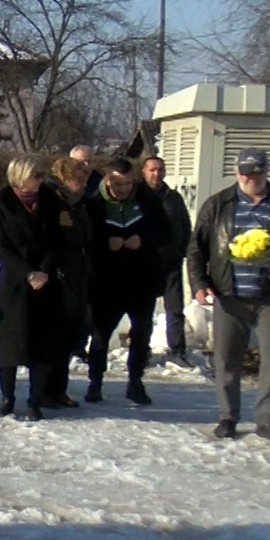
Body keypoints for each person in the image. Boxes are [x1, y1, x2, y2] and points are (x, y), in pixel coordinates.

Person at [187, 147, 270, 442]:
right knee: (226, 359)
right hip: (229, 295)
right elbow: (197, 249)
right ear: (236, 172)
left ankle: (267, 420)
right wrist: (198, 283)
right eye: (245, 173)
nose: (250, 179)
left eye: (256, 173)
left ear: (266, 171)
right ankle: (227, 417)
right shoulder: (218, 204)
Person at [83, 159, 169, 406]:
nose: (124, 189)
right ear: (108, 180)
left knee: (141, 333)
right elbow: (84, 237)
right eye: (119, 184)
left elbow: (166, 233)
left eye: (129, 183)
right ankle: (95, 381)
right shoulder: (94, 204)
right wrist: (103, 243)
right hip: (105, 280)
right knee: (100, 335)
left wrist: (142, 240)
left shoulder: (148, 200)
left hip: (141, 279)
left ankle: (135, 381)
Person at [0, 155, 69, 421]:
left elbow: (57, 241)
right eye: (35, 175)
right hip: (15, 282)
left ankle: (35, 401)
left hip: (45, 282)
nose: (40, 179)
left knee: (42, 343)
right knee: (11, 342)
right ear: (20, 177)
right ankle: (7, 398)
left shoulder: (49, 201)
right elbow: (1, 247)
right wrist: (28, 272)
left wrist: (43, 271)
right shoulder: (0, 205)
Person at [45, 156, 94, 408]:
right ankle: (45, 389)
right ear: (65, 178)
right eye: (79, 177)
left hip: (79, 275)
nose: (85, 182)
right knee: (54, 335)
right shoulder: (53, 200)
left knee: (69, 335)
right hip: (59, 275)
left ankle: (59, 389)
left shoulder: (80, 203)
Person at [141, 156, 194, 362]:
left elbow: (185, 225)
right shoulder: (137, 196)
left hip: (171, 261)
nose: (157, 174)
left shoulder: (173, 197)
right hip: (145, 262)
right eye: (152, 170)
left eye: (160, 170)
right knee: (144, 311)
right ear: (144, 172)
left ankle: (177, 351)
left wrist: (181, 250)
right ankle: (142, 349)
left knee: (175, 309)